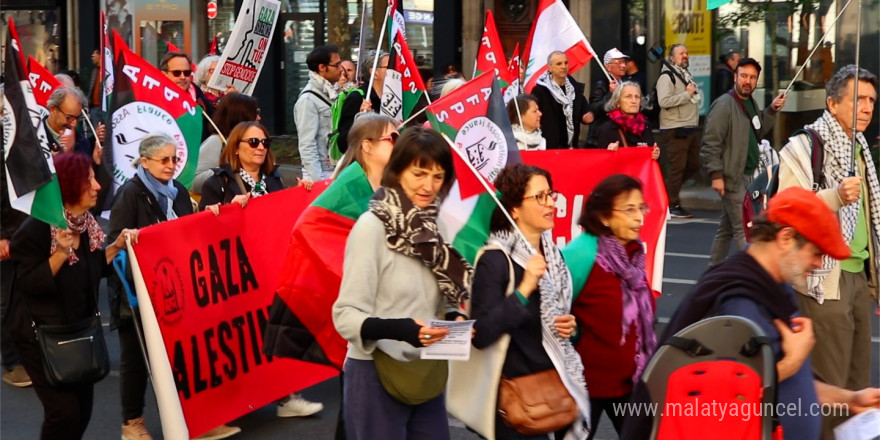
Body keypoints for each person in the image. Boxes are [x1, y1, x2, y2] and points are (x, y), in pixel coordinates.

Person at [621, 187, 880, 440]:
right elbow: (722, 397)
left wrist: (849, 399)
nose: (819, 264)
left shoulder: (771, 285)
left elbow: (786, 383)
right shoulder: (739, 303)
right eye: (816, 253)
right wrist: (792, 362)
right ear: (786, 237)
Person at [332, 127, 472, 440]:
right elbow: (346, 315)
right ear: (398, 172)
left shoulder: (437, 225)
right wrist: (404, 330)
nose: (428, 186)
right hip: (373, 373)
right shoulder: (371, 228)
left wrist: (455, 318)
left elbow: (446, 294)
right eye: (419, 173)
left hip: (426, 372)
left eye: (438, 177)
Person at [777, 65, 880, 438]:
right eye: (858, 99)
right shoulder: (803, 147)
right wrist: (834, 197)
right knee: (833, 388)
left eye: (871, 100)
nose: (867, 108)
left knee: (858, 387)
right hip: (824, 281)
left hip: (857, 278)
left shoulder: (862, 147)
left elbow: (870, 219)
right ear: (833, 103)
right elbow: (785, 208)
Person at [8, 153, 136, 440]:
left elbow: (92, 271)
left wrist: (115, 247)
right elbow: (29, 284)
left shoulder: (87, 226)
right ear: (68, 185)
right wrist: (60, 254)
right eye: (88, 179)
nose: (97, 186)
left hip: (79, 330)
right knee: (63, 413)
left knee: (82, 412)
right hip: (40, 336)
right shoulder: (36, 230)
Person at [470, 163, 590, 439]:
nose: (550, 203)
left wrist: (572, 328)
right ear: (513, 209)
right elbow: (482, 333)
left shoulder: (553, 256)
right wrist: (524, 289)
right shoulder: (495, 259)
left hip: (554, 389)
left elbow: (565, 323)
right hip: (514, 401)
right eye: (540, 197)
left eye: (551, 194)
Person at [106, 133, 195, 440]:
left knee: (180, 355)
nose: (171, 166)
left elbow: (189, 231)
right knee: (135, 359)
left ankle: (191, 414)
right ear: (144, 162)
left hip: (172, 287)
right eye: (164, 160)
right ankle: (132, 422)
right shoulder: (130, 194)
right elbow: (113, 245)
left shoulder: (179, 191)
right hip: (136, 292)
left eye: (175, 159)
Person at [564, 174, 656, 439]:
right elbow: (550, 311)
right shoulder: (580, 254)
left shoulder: (634, 254)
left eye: (641, 208)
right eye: (629, 209)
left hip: (633, 382)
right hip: (584, 387)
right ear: (604, 216)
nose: (639, 217)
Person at [701, 57, 786, 266]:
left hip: (750, 176)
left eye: (753, 77)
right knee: (745, 231)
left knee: (727, 228)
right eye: (744, 76)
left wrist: (772, 110)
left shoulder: (750, 102)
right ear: (735, 77)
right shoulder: (723, 105)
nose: (748, 81)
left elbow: (758, 129)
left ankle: (713, 272)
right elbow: (710, 143)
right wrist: (716, 175)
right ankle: (752, 275)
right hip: (732, 177)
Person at [657, 44, 701, 219]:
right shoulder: (666, 77)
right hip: (675, 128)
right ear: (672, 58)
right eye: (681, 53)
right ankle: (672, 204)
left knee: (693, 165)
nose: (685, 55)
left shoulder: (684, 75)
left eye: (686, 53)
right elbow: (664, 101)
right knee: (677, 168)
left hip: (689, 127)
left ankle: (667, 191)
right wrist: (687, 95)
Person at [199, 122, 284, 212]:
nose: (261, 147)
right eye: (253, 142)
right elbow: (206, 224)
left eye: (265, 142)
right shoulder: (216, 184)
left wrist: (298, 195)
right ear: (236, 148)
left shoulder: (274, 179)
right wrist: (231, 209)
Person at [0, 143, 31, 389]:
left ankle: (29, 353)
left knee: (27, 296)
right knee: (6, 301)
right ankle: (12, 363)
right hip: (8, 235)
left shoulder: (24, 138)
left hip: (26, 230)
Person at [191, 93, 261, 195]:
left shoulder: (259, 143)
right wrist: (228, 169)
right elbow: (195, 183)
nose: (259, 118)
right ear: (240, 117)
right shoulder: (217, 142)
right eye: (255, 113)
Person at [294, 45, 342, 181]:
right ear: (322, 67)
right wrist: (318, 181)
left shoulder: (334, 93)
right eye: (336, 65)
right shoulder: (308, 100)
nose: (341, 69)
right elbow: (307, 144)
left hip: (335, 168)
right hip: (321, 172)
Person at [532, 51, 593, 149]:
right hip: (548, 146)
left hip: (571, 146)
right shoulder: (540, 90)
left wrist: (587, 115)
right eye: (559, 64)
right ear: (550, 68)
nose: (564, 66)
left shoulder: (574, 88)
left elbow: (584, 110)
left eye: (566, 63)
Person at [335, 50, 388, 156]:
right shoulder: (357, 98)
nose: (396, 70)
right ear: (374, 73)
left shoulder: (394, 98)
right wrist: (360, 119)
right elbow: (343, 143)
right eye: (389, 67)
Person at [594, 81, 660, 160]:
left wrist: (655, 155)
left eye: (637, 97)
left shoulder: (646, 125)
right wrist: (609, 153)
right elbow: (600, 163)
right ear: (618, 102)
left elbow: (650, 161)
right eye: (628, 96)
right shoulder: (607, 128)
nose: (634, 101)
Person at [586, 48, 628, 148]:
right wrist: (610, 94)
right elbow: (593, 109)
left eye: (624, 62)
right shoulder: (601, 84)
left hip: (618, 133)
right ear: (608, 67)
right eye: (618, 62)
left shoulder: (623, 84)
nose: (623, 66)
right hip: (601, 138)